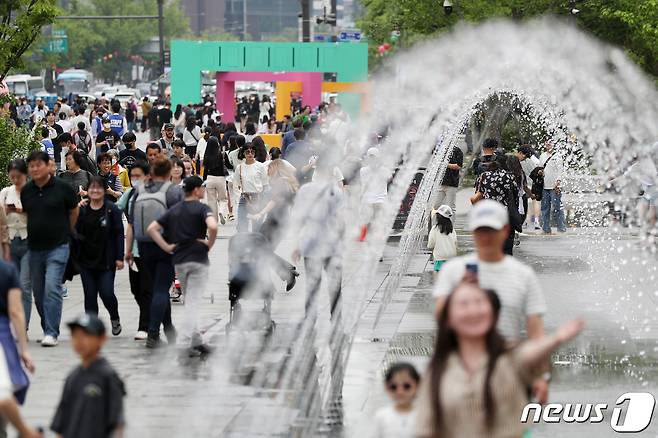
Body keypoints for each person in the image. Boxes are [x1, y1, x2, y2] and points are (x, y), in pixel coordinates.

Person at [417, 276, 584, 438]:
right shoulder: (437, 370)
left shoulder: (509, 357)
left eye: (479, 302)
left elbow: (529, 353)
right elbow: (425, 428)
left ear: (494, 314)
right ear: (448, 319)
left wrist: (556, 339)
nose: (473, 310)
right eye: (464, 304)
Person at [433, 200, 550, 402]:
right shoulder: (453, 272)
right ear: (472, 231)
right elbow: (441, 320)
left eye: (491, 230)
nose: (485, 237)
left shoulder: (523, 275)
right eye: (480, 230)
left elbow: (536, 331)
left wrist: (540, 376)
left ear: (505, 230)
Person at [147, 176, 218, 353]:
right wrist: (208, 244)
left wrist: (167, 247)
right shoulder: (202, 208)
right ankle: (184, 343)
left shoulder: (174, 210)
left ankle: (196, 340)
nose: (203, 190)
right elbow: (213, 226)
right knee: (193, 303)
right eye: (202, 187)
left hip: (179, 261)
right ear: (196, 190)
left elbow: (151, 229)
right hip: (199, 261)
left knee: (190, 300)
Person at [21, 151, 79, 347]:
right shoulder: (26, 190)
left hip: (58, 246)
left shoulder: (63, 189)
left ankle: (51, 332)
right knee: (38, 292)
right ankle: (48, 326)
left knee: (52, 287)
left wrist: (67, 231)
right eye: (32, 166)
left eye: (39, 165)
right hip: (34, 248)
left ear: (48, 165)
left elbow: (74, 211)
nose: (35, 169)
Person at [126, 157, 183, 348]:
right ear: (168, 172)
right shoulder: (172, 191)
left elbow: (132, 221)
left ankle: (168, 329)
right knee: (160, 289)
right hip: (165, 244)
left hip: (143, 245)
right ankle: (152, 334)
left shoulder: (140, 190)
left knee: (158, 287)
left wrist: (128, 249)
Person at [51, 314, 126, 438]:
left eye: (86, 335)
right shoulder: (72, 376)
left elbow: (117, 422)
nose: (79, 341)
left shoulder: (108, 376)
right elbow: (62, 420)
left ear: (102, 339)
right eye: (75, 336)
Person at [74, 176, 124, 336]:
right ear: (87, 191)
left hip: (106, 261)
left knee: (106, 293)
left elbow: (118, 234)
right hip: (85, 261)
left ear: (104, 190)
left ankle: (114, 317)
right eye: (92, 188)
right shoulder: (82, 209)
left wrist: (119, 257)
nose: (95, 191)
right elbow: (74, 231)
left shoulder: (112, 209)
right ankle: (92, 327)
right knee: (89, 295)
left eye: (99, 188)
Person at [0, 260, 39, 438]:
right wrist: (24, 349)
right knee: (5, 393)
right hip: (2, 335)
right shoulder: (7, 270)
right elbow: (16, 310)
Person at [117, 161, 152, 341]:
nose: (135, 179)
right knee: (135, 289)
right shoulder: (130, 194)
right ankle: (151, 315)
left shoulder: (155, 195)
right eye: (133, 176)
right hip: (135, 251)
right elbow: (116, 210)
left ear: (147, 176)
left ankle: (144, 325)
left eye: (139, 176)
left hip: (151, 250)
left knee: (146, 289)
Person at [0, 160, 31, 325]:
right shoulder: (5, 192)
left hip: (28, 240)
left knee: (25, 286)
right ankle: (14, 322)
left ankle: (23, 325)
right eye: (12, 177)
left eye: (18, 176)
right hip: (10, 241)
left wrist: (22, 210)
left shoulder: (32, 191)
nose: (15, 180)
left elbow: (39, 213)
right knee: (12, 286)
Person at [471, 158, 519, 255]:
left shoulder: (484, 176)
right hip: (505, 212)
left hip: (489, 212)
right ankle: (506, 257)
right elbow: (515, 193)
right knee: (507, 238)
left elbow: (477, 194)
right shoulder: (509, 176)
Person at [372, 363, 420, 438]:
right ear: (386, 387)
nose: (400, 391)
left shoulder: (424, 416)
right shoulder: (381, 416)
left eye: (407, 386)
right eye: (393, 387)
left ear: (418, 386)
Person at [234, 144, 268, 232]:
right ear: (243, 153)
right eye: (247, 152)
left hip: (258, 198)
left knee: (256, 227)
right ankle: (243, 244)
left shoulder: (260, 166)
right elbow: (236, 184)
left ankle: (256, 245)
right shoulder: (240, 167)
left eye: (252, 152)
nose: (250, 154)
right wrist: (238, 197)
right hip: (244, 198)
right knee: (242, 226)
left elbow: (265, 184)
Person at [359, 147, 388, 241]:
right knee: (378, 223)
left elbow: (364, 186)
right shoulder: (384, 170)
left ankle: (369, 241)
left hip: (369, 200)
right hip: (380, 200)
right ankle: (376, 242)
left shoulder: (363, 170)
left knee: (368, 222)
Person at [539, 141, 566, 234]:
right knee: (545, 208)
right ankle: (546, 228)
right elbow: (539, 168)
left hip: (555, 186)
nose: (548, 144)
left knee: (557, 207)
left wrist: (558, 182)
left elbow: (560, 170)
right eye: (546, 142)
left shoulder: (558, 156)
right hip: (544, 186)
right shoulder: (542, 155)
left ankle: (561, 228)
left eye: (550, 142)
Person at [432, 143, 463, 221]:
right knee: (435, 205)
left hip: (452, 183)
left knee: (451, 206)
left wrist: (445, 165)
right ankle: (436, 225)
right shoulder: (440, 150)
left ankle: (450, 228)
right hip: (440, 182)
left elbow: (458, 166)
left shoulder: (457, 151)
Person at [202, 136, 229, 225]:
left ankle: (214, 220)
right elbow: (228, 165)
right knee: (223, 199)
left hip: (210, 178)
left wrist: (204, 181)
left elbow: (205, 170)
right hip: (220, 178)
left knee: (211, 201)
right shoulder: (221, 154)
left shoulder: (206, 155)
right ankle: (221, 211)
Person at [516, 145, 541, 230]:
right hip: (532, 184)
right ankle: (536, 221)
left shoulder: (519, 162)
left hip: (524, 185)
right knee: (533, 202)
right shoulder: (532, 161)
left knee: (524, 203)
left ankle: (525, 221)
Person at [427, 205, 457, 273]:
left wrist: (429, 247)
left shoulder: (435, 229)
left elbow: (430, 244)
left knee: (440, 278)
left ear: (438, 217)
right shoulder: (452, 229)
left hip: (440, 258)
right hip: (451, 258)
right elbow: (455, 242)